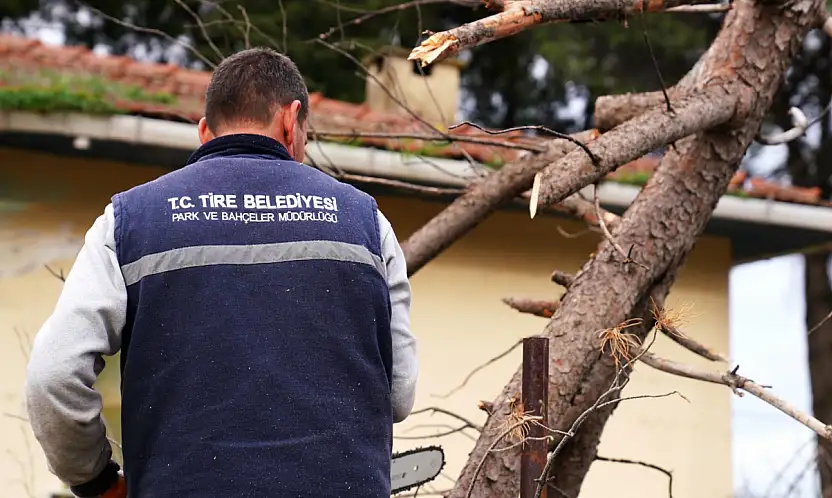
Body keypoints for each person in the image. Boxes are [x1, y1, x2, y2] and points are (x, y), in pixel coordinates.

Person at [24, 47, 419, 498]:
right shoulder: (368, 222)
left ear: (204, 133)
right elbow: (399, 392)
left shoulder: (127, 221)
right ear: (292, 121)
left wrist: (94, 479)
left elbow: (53, 375)